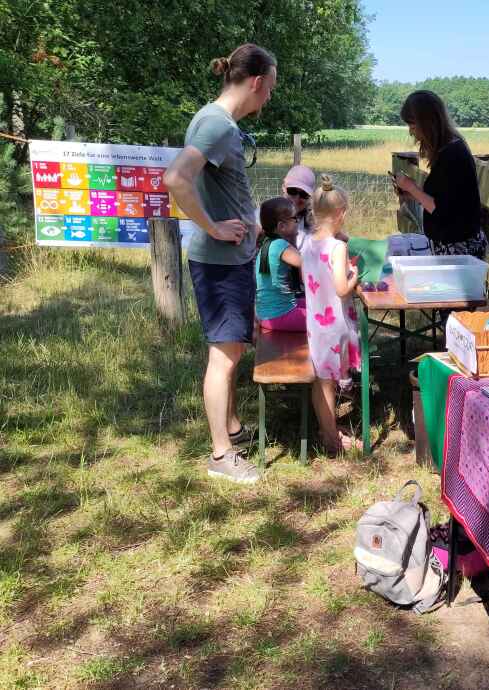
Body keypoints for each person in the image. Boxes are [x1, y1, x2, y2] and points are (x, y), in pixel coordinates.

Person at [164, 43, 277, 484]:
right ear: (256, 82)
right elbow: (176, 178)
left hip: (230, 259)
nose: (268, 98)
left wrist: (248, 225)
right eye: (270, 89)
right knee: (223, 357)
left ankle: (231, 428)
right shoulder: (216, 124)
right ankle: (220, 455)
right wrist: (213, 227)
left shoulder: (218, 122)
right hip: (220, 262)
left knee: (229, 347)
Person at [301, 174, 360, 454]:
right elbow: (340, 289)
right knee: (328, 381)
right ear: (341, 213)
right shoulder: (338, 248)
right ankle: (331, 439)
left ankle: (329, 430)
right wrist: (354, 277)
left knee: (322, 380)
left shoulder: (307, 242)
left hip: (316, 323)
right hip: (335, 324)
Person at [392, 90, 488, 259]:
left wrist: (411, 187)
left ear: (427, 123)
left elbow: (440, 210)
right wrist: (412, 195)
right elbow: (448, 201)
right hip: (453, 246)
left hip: (459, 249)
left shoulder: (453, 155)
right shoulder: (450, 149)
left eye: (412, 126)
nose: (411, 132)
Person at [255, 197, 306, 331]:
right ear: (281, 226)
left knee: (315, 304)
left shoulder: (267, 243)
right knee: (323, 317)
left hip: (267, 315)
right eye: (295, 218)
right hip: (280, 315)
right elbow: (308, 263)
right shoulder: (280, 246)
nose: (298, 221)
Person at [281, 165, 315, 250]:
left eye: (304, 194)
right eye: (292, 191)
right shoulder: (264, 215)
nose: (296, 199)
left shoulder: (313, 223)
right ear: (283, 187)